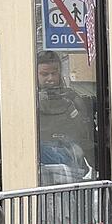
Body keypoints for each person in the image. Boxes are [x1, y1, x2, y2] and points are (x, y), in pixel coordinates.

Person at [36, 50, 96, 183]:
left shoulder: (72, 99)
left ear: (60, 73)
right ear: (35, 74)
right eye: (44, 74)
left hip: (71, 159)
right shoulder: (30, 101)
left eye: (54, 73)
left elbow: (84, 134)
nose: (50, 78)